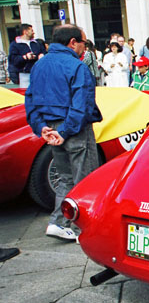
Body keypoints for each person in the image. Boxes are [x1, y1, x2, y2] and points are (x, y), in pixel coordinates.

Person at [25, 24, 102, 241]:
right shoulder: (77, 67)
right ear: (73, 42)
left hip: (51, 127)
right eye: (83, 43)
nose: (84, 48)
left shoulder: (39, 66)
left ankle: (57, 222)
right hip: (74, 129)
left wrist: (41, 127)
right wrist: (66, 131)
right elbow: (82, 105)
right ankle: (83, 230)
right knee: (84, 179)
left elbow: (30, 99)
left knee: (66, 178)